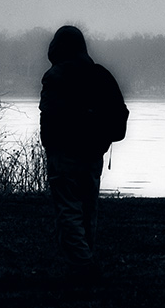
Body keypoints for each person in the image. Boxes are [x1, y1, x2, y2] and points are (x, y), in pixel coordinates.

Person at [39, 24, 128, 277]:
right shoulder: (98, 74)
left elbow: (50, 115)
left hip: (64, 153)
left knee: (68, 208)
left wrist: (52, 145)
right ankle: (84, 258)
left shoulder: (55, 76)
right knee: (88, 209)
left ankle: (81, 264)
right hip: (92, 153)